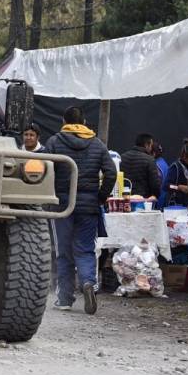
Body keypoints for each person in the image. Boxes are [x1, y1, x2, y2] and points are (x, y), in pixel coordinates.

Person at [43, 106, 117, 314]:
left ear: (63, 120)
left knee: (63, 251)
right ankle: (87, 283)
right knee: (85, 249)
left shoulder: (54, 142)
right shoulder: (97, 143)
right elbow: (111, 172)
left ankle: (65, 299)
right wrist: (100, 196)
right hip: (89, 205)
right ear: (83, 121)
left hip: (62, 205)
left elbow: (43, 169)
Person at [120, 133, 160, 199]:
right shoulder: (150, 160)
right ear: (147, 145)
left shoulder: (122, 157)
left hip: (124, 199)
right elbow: (155, 185)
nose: (151, 148)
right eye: (151, 145)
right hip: (142, 201)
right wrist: (155, 196)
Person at [162, 139, 188, 209]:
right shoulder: (175, 167)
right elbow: (166, 185)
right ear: (185, 156)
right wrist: (178, 187)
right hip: (175, 206)